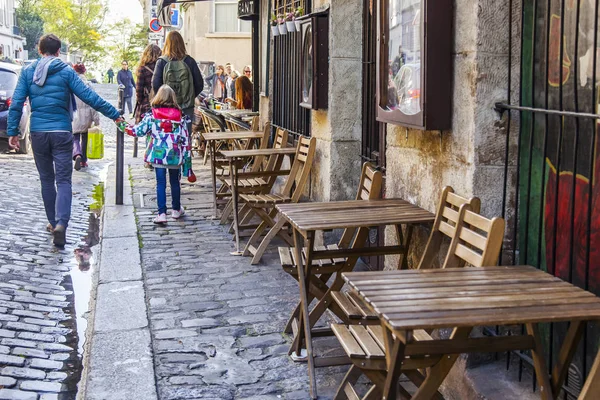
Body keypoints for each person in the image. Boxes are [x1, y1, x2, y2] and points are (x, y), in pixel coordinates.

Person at [7, 34, 123, 247]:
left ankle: (52, 222)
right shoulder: (66, 71)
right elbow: (89, 97)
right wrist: (114, 113)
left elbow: (17, 102)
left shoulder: (28, 72)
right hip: (61, 132)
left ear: (40, 51)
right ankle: (62, 223)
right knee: (63, 180)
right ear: (58, 51)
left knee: (46, 180)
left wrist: (13, 131)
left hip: (39, 133)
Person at [126, 85, 191, 224]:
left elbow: (137, 131)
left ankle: (161, 214)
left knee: (160, 183)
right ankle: (176, 210)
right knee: (175, 182)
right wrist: (187, 161)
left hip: (158, 154)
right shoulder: (180, 117)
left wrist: (122, 125)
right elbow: (186, 139)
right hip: (174, 154)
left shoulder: (151, 115)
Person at [152, 31, 203, 133]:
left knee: (168, 136)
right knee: (185, 135)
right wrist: (189, 96)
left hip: (167, 108)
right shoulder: (190, 61)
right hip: (186, 107)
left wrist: (164, 99)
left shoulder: (162, 62)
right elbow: (199, 84)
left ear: (167, 44)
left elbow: (155, 84)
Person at [72, 63, 100, 171]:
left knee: (74, 137)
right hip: (87, 116)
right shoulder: (89, 85)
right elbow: (94, 103)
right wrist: (96, 120)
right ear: (84, 72)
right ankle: (83, 161)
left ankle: (76, 154)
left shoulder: (72, 84)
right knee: (85, 138)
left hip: (74, 115)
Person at [135, 44, 162, 123]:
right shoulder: (163, 67)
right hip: (161, 103)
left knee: (144, 129)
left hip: (146, 104)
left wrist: (140, 102)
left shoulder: (142, 68)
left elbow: (138, 90)